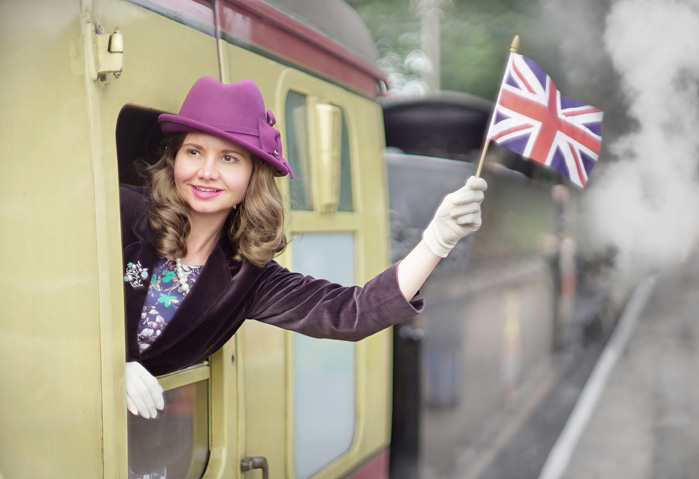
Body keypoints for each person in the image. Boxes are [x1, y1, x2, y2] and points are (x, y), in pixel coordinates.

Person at [123, 76, 487, 421]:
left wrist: (437, 239)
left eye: (229, 158)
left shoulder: (248, 277)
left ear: (253, 176)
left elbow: (351, 313)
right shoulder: (121, 211)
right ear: (175, 160)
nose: (206, 171)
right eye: (194, 151)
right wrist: (107, 368)